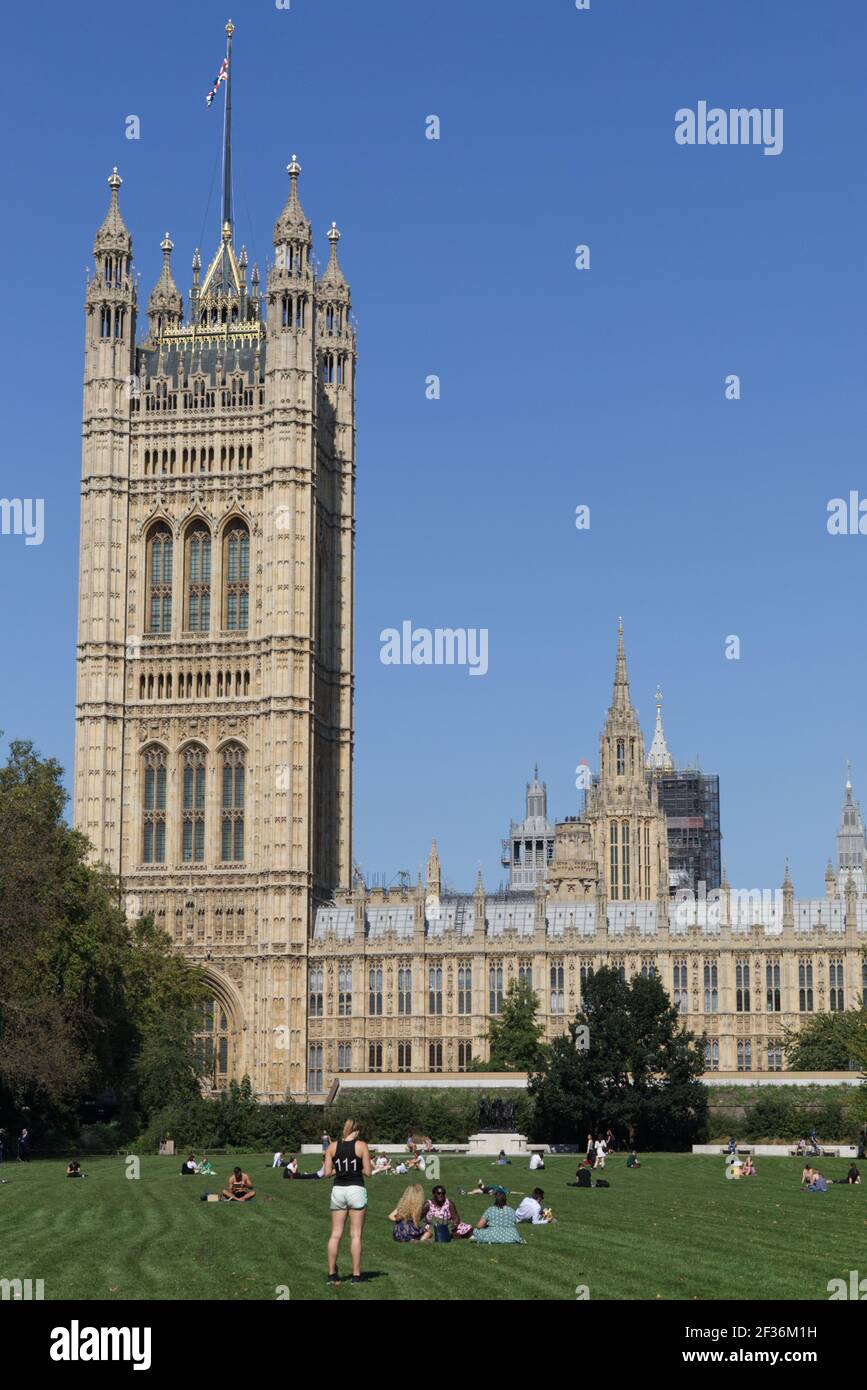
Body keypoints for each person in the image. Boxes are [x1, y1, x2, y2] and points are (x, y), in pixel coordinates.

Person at [324, 1118, 371, 1285]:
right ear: (356, 1131)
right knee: (355, 1235)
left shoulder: (332, 1147)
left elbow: (327, 1172)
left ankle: (331, 1275)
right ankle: (356, 1276)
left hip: (338, 1190)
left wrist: (341, 1168)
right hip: (356, 1189)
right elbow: (368, 1172)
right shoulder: (361, 1146)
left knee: (335, 1234)